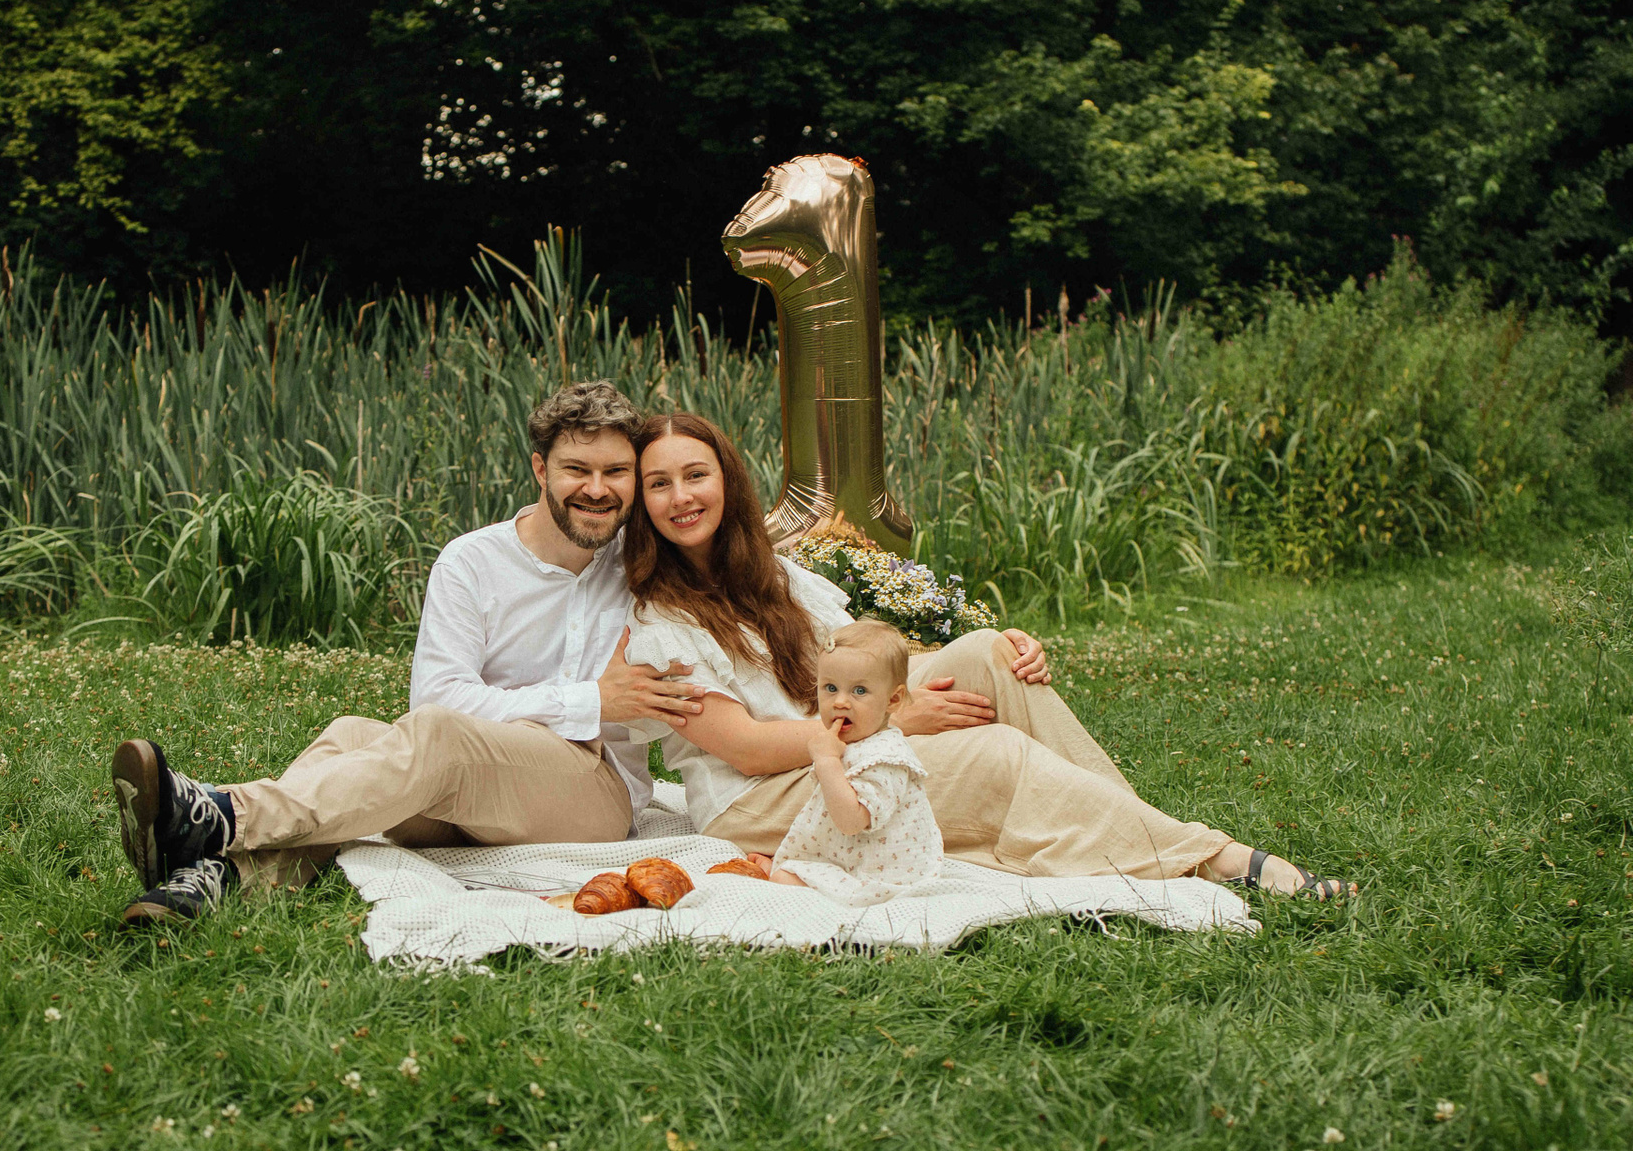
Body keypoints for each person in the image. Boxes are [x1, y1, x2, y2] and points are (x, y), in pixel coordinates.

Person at [622, 412, 1355, 900]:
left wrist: (1006, 647)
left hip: (837, 740)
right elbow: (748, 750)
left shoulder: (780, 577)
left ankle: (1138, 830)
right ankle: (1217, 859)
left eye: (696, 474)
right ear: (643, 505)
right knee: (994, 753)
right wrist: (895, 727)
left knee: (984, 651)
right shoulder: (659, 622)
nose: (682, 496)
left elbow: (875, 662)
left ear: (728, 480)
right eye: (660, 484)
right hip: (763, 799)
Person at [107, 381, 710, 926]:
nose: (597, 489)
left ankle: (222, 815)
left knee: (438, 738)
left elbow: (727, 582)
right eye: (577, 469)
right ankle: (228, 879)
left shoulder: (647, 565)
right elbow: (437, 697)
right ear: (539, 469)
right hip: (469, 792)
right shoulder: (472, 562)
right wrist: (590, 700)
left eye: (616, 472)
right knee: (351, 737)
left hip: (594, 796)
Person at [750, 619, 943, 905]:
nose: (840, 702)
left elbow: (851, 822)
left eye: (859, 691)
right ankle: (790, 868)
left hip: (882, 877)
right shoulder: (858, 742)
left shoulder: (886, 758)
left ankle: (786, 875)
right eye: (830, 687)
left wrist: (827, 761)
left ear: (893, 700)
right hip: (853, 857)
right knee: (787, 873)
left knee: (783, 881)